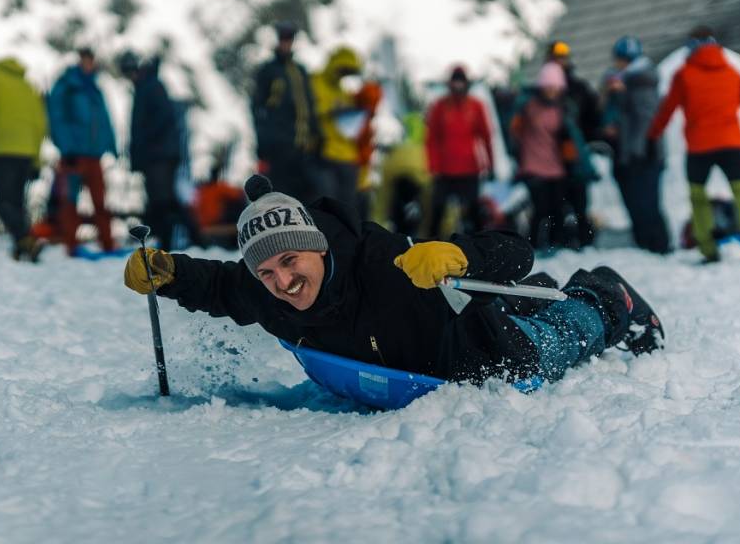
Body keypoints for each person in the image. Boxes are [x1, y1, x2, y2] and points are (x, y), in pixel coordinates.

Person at [122, 175, 663, 389]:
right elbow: (222, 286)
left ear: (318, 246)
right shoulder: (266, 288)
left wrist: (461, 257)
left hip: (481, 353)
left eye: (289, 260)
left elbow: (515, 253)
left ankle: (604, 294)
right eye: (266, 271)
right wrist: (169, 273)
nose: (282, 281)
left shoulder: (386, 264)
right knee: (499, 304)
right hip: (424, 347)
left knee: (558, 340)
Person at [648, 26, 740, 264]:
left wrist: (652, 136)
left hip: (699, 148)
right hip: (733, 144)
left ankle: (708, 250)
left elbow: (666, 111)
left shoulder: (684, 74)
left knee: (698, 198)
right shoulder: (732, 72)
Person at [0, 56, 48, 260]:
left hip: (2, 150)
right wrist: (37, 160)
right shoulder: (27, 85)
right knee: (17, 203)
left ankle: (26, 239)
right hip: (26, 152)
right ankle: (22, 247)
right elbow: (40, 124)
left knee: (3, 203)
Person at [510, 63, 595, 251]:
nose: (551, 91)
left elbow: (572, 137)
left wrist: (575, 161)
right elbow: (514, 131)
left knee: (557, 208)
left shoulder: (563, 109)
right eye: (548, 87)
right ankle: (531, 247)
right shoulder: (528, 106)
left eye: (555, 87)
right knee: (540, 209)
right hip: (533, 164)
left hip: (556, 166)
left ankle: (556, 246)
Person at [600, 36, 671, 254]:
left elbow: (645, 120)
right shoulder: (628, 83)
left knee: (646, 202)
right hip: (633, 151)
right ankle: (647, 243)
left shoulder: (640, 83)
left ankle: (656, 244)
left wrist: (638, 151)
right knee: (639, 200)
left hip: (643, 152)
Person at [120, 52, 196, 249]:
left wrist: (145, 144)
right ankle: (181, 238)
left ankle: (181, 239)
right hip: (158, 155)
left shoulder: (151, 87)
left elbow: (158, 121)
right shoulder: (146, 87)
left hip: (160, 155)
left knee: (163, 201)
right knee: (163, 200)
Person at [48, 47, 118, 255]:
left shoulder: (95, 89)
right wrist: (66, 148)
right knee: (70, 202)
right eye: (85, 60)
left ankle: (108, 244)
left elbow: (105, 120)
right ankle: (71, 245)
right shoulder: (66, 86)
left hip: (95, 155)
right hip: (73, 155)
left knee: (100, 201)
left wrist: (111, 146)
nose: (89, 64)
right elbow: (57, 118)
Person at [251, 22, 321, 202]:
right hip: (279, 147)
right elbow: (257, 109)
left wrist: (316, 134)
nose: (286, 42)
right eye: (283, 38)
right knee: (281, 195)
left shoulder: (300, 71)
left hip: (303, 149)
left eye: (289, 38)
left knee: (308, 196)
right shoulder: (268, 71)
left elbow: (310, 105)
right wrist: (263, 143)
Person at [424, 65, 493, 238]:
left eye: (461, 82)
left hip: (470, 169)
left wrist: (490, 164)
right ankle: (431, 244)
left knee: (473, 212)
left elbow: (486, 136)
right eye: (455, 82)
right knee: (437, 211)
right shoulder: (440, 106)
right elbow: (432, 138)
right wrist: (433, 166)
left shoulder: (476, 106)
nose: (458, 86)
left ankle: (477, 245)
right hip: (444, 170)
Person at [547, 41, 600, 247]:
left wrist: (583, 139)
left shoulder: (579, 88)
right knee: (555, 203)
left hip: (575, 153)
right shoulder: (541, 90)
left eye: (563, 57)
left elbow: (593, 117)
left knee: (580, 201)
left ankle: (584, 240)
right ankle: (558, 241)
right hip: (550, 156)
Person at [310, 46, 368, 211]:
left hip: (347, 156)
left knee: (347, 206)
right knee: (327, 205)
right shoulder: (314, 82)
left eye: (348, 72)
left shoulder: (342, 91)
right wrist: (330, 110)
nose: (343, 75)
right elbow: (305, 111)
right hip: (324, 154)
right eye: (343, 70)